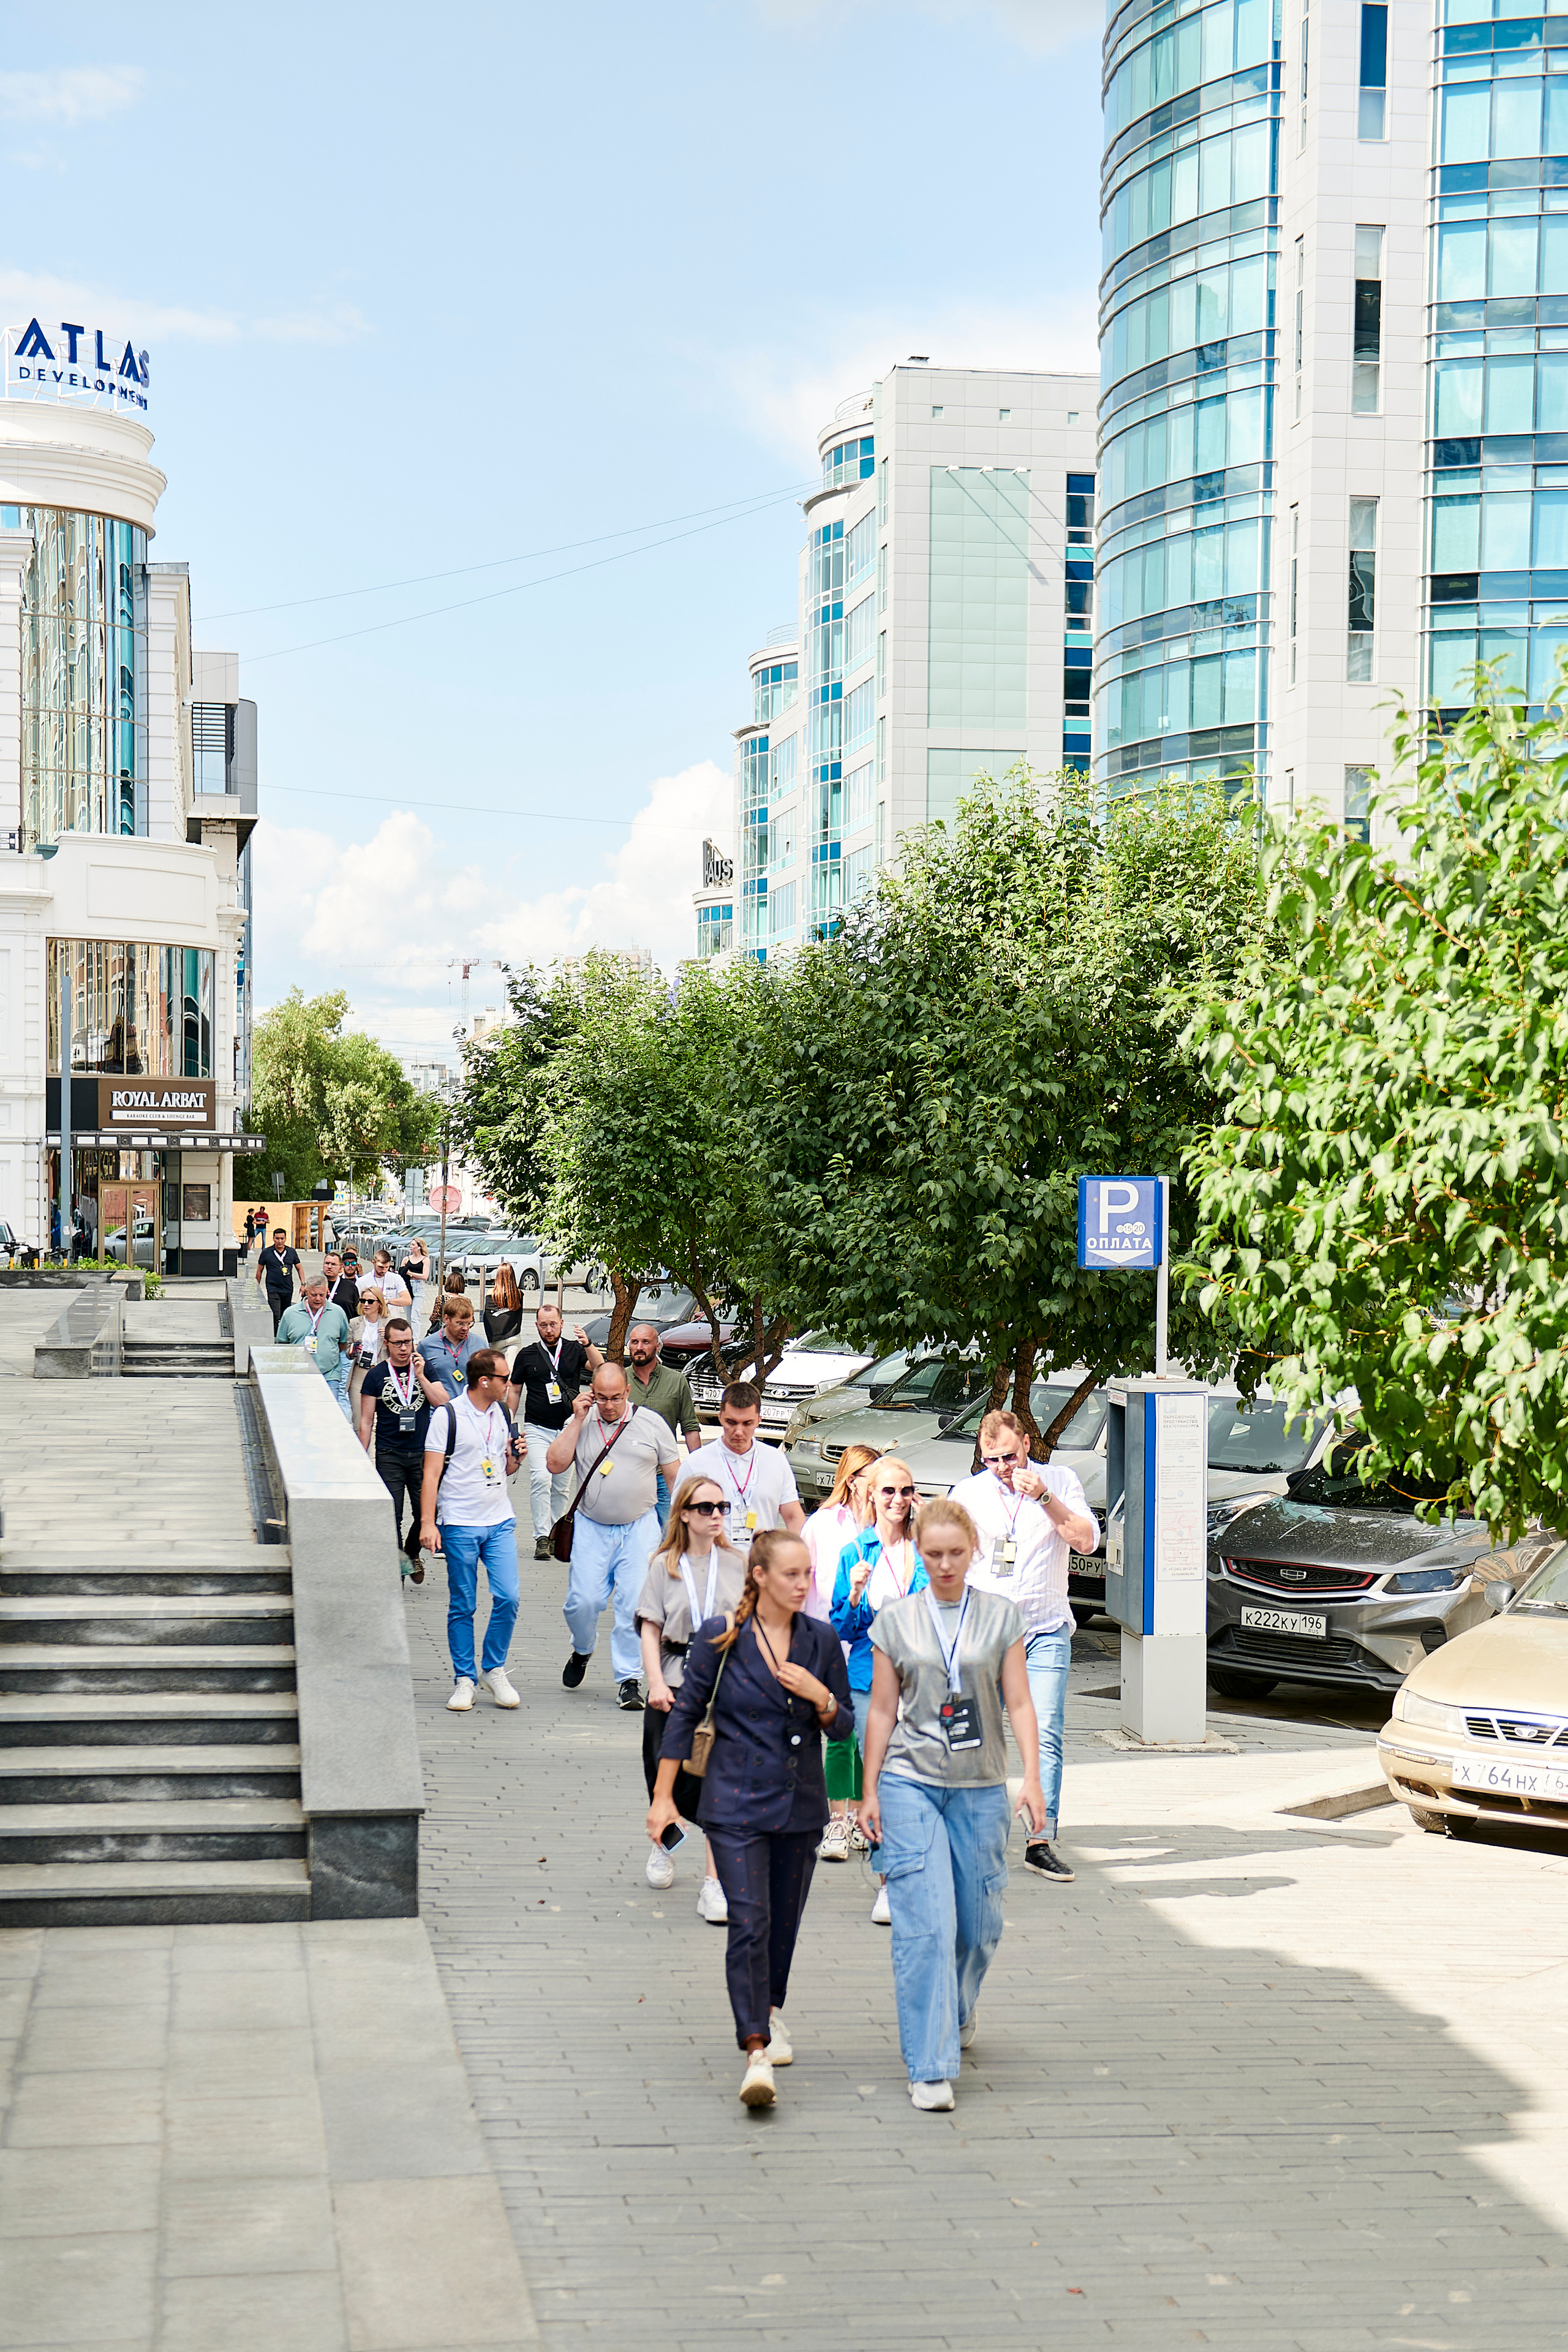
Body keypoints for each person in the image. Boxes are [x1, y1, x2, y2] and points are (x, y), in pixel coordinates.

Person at [650, 1528, 855, 2109]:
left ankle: (769, 2009)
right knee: (749, 1922)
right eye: (791, 1574)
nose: (803, 1584)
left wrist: (821, 1695)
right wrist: (663, 1798)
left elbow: (842, 1728)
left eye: (808, 1574)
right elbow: (684, 1716)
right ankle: (755, 2050)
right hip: (735, 1804)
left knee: (782, 1925)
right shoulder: (721, 1636)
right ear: (759, 1576)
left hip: (799, 1806)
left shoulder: (820, 1639)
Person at [860, 1495, 1047, 2114]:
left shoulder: (999, 1617)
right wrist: (867, 1792)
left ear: (973, 1552)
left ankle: (957, 2010)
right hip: (909, 1782)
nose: (944, 1565)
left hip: (980, 1784)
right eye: (933, 1554)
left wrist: (1033, 1781)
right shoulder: (896, 1620)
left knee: (977, 1924)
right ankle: (930, 2064)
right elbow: (882, 1710)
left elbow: (1019, 1702)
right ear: (918, 1551)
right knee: (927, 1925)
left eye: (955, 1554)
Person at [951, 1408, 1099, 1885]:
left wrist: (1046, 1498)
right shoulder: (969, 1493)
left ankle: (1040, 1839)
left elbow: (1086, 1542)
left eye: (1009, 1457)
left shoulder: (1060, 1480)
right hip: (987, 1632)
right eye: (991, 1459)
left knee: (1047, 1729)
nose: (1002, 1468)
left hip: (1044, 1628)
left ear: (1027, 1445)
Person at [636, 1474, 748, 1922]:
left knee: (720, 1785)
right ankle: (665, 1845)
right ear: (684, 1513)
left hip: (723, 1684)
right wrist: (655, 1683)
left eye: (722, 1506)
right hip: (675, 1676)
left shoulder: (738, 1563)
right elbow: (650, 1628)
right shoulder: (664, 1564)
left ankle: (713, 1883)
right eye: (706, 1508)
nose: (717, 1515)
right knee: (665, 1775)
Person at [547, 1362, 679, 1709]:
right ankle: (582, 1649)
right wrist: (576, 1420)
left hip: (639, 1526)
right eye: (601, 1398)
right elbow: (555, 1464)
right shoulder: (583, 1420)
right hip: (591, 1526)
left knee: (634, 1605)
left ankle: (629, 1679)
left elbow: (675, 1478)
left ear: (628, 1393)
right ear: (592, 1392)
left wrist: (682, 1527)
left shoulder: (652, 1424)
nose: (608, 1405)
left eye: (615, 1398)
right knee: (583, 1602)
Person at [830, 1454, 928, 1922]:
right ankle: (888, 1882)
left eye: (906, 1491)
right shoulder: (857, 1552)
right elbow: (843, 1628)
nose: (898, 1500)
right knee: (883, 1780)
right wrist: (853, 1594)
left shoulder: (925, 1550)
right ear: (872, 1495)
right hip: (871, 1682)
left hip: (922, 1682)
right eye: (888, 1491)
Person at [418, 1347, 524, 1712]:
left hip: (499, 1520)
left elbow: (504, 1467)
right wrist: (429, 1523)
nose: (509, 1384)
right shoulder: (448, 1416)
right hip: (460, 1522)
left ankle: (493, 1668)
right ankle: (464, 1678)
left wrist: (516, 1459)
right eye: (504, 1378)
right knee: (463, 1604)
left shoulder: (503, 1411)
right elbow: (430, 1474)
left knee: (508, 1597)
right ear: (484, 1381)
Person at [802, 1442, 880, 1862]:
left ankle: (859, 1816)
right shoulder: (822, 1525)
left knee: (866, 1735)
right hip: (828, 1641)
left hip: (871, 1647)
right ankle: (837, 1818)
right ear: (852, 1481)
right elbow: (802, 1580)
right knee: (838, 1732)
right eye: (872, 1477)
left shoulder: (890, 1528)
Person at [505, 1303, 603, 1562]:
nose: (549, 1329)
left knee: (561, 1486)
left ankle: (555, 1534)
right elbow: (514, 1390)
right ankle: (540, 1537)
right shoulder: (527, 1355)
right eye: (543, 1325)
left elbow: (600, 1367)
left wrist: (588, 1343)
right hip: (537, 1428)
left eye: (553, 1324)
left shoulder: (574, 1349)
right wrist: (509, 1423)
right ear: (536, 1326)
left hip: (568, 1429)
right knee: (540, 1478)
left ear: (561, 1323)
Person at [684, 1383, 805, 1554]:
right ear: (720, 1417)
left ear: (759, 1420)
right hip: (711, 1566)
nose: (739, 1431)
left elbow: (793, 1517)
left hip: (761, 1567)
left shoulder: (776, 1460)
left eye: (747, 1423)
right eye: (731, 1422)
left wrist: (797, 1559)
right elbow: (679, 1520)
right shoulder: (695, 1463)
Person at [358, 1316, 430, 1581]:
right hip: (389, 1453)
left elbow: (443, 1401)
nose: (404, 1348)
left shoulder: (424, 1369)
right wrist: (360, 1457)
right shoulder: (376, 1376)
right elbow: (366, 1421)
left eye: (408, 1342)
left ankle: (411, 1552)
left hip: (423, 1452)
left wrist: (421, 1376)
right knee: (393, 1513)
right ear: (387, 1344)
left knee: (426, 1511)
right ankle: (396, 1565)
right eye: (398, 1343)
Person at [625, 1322, 702, 1526]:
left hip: (664, 1476)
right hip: (627, 1474)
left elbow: (690, 1427)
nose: (639, 1347)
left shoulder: (676, 1381)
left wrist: (697, 1470)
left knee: (670, 1536)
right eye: (634, 1342)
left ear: (657, 1346)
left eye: (645, 1342)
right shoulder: (620, 1380)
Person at [276, 1275, 352, 1415]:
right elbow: (283, 1343)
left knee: (329, 1414)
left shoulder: (338, 1312)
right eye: (314, 1295)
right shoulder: (290, 1313)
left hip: (330, 1374)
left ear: (327, 1292)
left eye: (322, 1295)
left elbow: (343, 1343)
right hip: (299, 1375)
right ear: (306, 1292)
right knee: (302, 1413)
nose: (318, 1299)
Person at [418, 1294, 482, 1400]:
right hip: (437, 1411)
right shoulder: (426, 1346)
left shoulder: (480, 1345)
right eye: (460, 1323)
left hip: (469, 1411)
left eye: (469, 1323)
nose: (466, 1328)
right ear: (446, 1319)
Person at [320, 1253, 361, 1418]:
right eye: (327, 1263)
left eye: (333, 1264)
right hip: (322, 1345)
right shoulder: (318, 1286)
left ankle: (345, 1424)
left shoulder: (349, 1287)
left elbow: (358, 1313)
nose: (329, 1267)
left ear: (340, 1268)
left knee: (342, 1387)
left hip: (345, 1346)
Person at [347, 1285, 388, 1415]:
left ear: (380, 1304)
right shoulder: (354, 1323)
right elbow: (348, 1349)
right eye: (363, 1301)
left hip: (382, 1371)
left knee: (383, 1416)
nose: (366, 1304)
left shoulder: (390, 1324)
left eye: (370, 1301)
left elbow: (401, 1349)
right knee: (359, 1417)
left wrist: (389, 1338)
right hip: (361, 1370)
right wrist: (351, 1351)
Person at [255, 1225, 302, 1335]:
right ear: (273, 1239)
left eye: (282, 1239)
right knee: (275, 1315)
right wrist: (256, 1287)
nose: (280, 1241)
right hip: (273, 1288)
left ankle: (285, 1335)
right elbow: (259, 1271)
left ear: (286, 1239)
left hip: (288, 1288)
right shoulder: (267, 1252)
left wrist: (303, 1284)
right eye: (277, 1239)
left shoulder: (292, 1252)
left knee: (285, 1314)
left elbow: (300, 1268)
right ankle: (275, 1336)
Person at [483, 1262, 524, 1347]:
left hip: (496, 1340)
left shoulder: (491, 1294)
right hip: (514, 1337)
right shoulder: (518, 1294)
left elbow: (488, 1318)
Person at [370, 1246, 412, 1316]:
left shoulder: (396, 1278)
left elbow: (407, 1300)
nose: (384, 1270)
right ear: (374, 1263)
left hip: (392, 1320)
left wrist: (388, 1301)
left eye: (387, 1267)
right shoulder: (363, 1280)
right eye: (380, 1267)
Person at [428, 1265, 468, 1332]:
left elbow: (434, 1318)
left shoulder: (441, 1299)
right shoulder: (466, 1301)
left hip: (445, 1330)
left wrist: (432, 1315)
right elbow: (471, 1321)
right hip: (459, 1331)